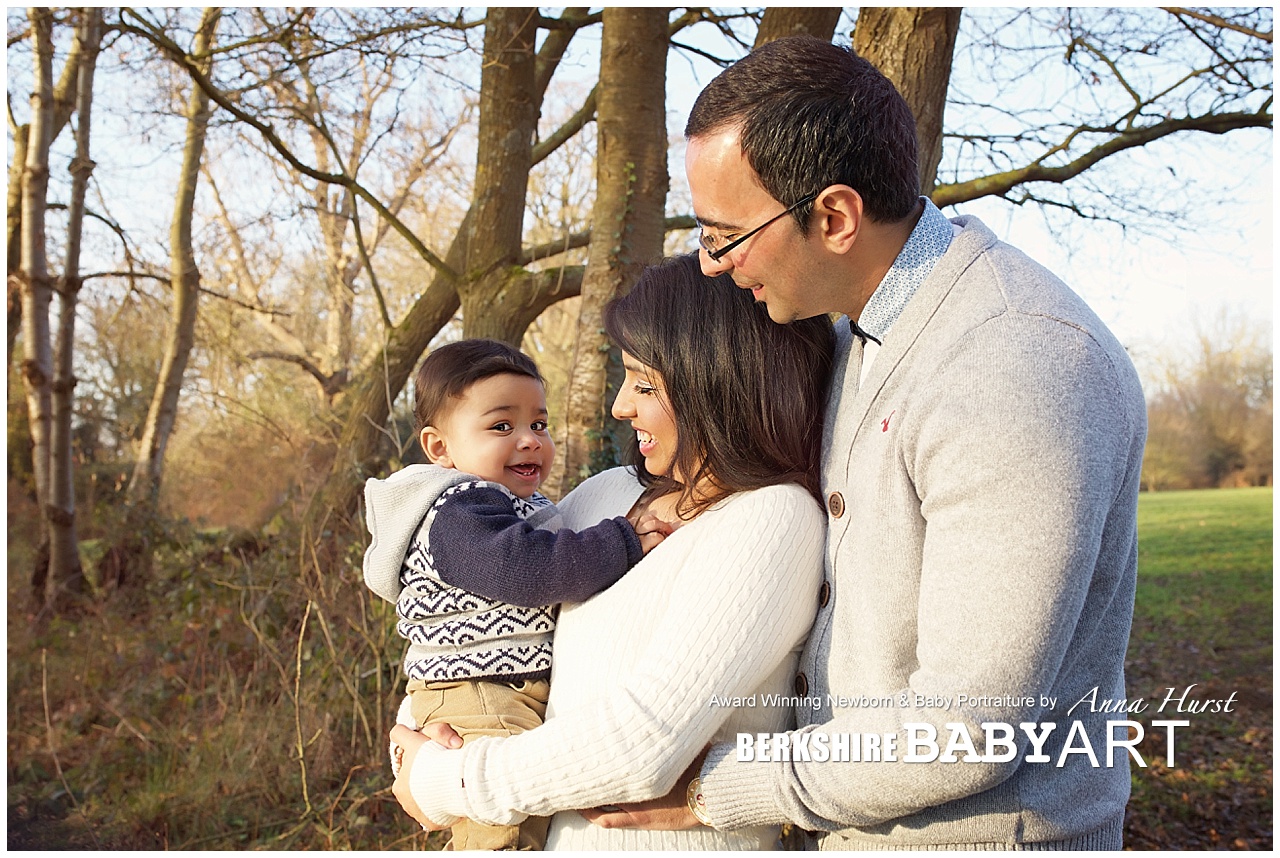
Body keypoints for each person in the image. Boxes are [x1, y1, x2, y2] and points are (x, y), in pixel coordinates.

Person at [579, 35, 1148, 849]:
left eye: (725, 234)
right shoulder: (858, 334)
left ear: (835, 216)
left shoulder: (1012, 365)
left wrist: (721, 788)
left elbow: (968, 727)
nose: (710, 264)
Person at [391, 253, 836, 849]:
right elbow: (478, 609)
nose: (620, 407)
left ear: (718, 382)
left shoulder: (771, 519)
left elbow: (640, 746)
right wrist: (413, 734)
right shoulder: (607, 494)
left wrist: (441, 781)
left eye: (645, 384)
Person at [362, 338, 668, 850]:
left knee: (515, 826)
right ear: (440, 448)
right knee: (499, 829)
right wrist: (622, 541)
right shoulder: (458, 508)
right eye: (501, 426)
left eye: (539, 425)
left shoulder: (511, 503)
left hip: (498, 691)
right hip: (480, 694)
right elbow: (525, 570)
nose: (528, 440)